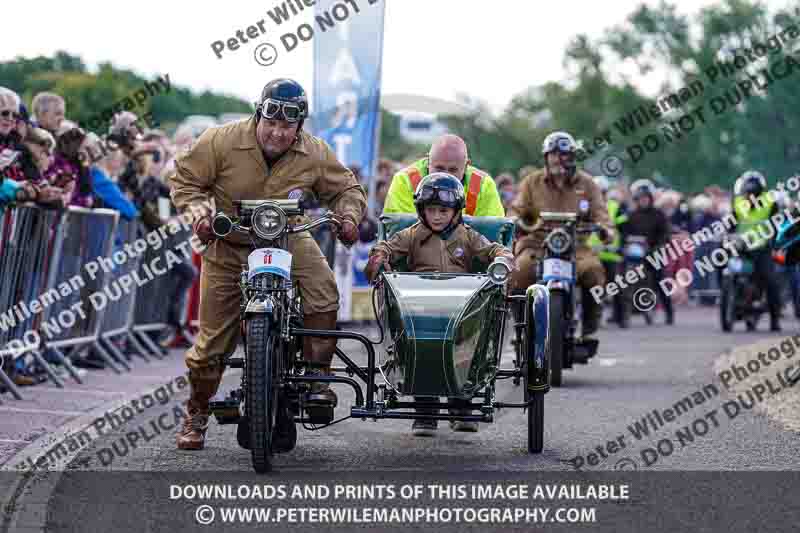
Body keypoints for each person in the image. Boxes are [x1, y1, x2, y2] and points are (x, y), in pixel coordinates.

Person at [168, 78, 367, 450]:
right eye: (270, 122)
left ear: (299, 126)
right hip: (229, 242)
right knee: (211, 343)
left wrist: (349, 216)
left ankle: (317, 379)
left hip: (288, 237)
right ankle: (196, 412)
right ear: (258, 114)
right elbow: (185, 178)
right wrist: (200, 214)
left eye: (287, 126)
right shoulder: (220, 140)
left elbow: (346, 189)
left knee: (323, 292)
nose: (277, 132)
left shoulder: (316, 152)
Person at [366, 173, 515, 436]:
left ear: (456, 211)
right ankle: (425, 412)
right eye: (431, 210)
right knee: (417, 350)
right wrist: (379, 256)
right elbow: (386, 247)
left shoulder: (468, 236)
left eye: (443, 210)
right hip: (419, 309)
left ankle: (462, 405)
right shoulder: (410, 235)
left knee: (465, 351)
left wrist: (503, 257)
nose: (437, 216)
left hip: (461, 310)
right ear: (421, 211)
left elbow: (493, 250)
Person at [509, 131, 613, 341]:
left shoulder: (587, 184)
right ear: (546, 157)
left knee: (593, 272)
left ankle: (590, 326)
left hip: (576, 246)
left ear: (572, 157)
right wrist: (513, 221)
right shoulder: (531, 182)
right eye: (553, 154)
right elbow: (516, 209)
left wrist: (605, 229)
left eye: (563, 154)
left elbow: (601, 213)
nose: (558, 158)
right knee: (519, 272)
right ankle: (521, 326)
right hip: (536, 244)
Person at [382, 134, 505, 216]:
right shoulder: (404, 180)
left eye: (453, 170)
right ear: (428, 160)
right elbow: (398, 230)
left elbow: (494, 231)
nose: (445, 176)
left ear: (466, 165)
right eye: (439, 168)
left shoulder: (484, 184)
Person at [730, 170, 782, 331]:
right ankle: (730, 300)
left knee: (770, 280)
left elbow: (777, 224)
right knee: (727, 267)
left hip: (762, 248)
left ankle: (775, 319)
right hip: (742, 247)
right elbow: (731, 222)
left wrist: (774, 241)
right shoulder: (738, 203)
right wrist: (726, 234)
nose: (749, 196)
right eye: (747, 192)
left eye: (753, 193)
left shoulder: (770, 203)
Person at [619, 179, 674, 324]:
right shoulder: (630, 215)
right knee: (623, 280)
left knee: (659, 281)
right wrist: (624, 243)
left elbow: (665, 233)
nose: (643, 200)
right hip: (634, 253)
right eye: (640, 198)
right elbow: (623, 232)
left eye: (646, 197)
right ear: (636, 199)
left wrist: (658, 246)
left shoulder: (659, 215)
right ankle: (621, 314)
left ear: (650, 198)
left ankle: (669, 313)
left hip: (653, 253)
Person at [587, 176, 628, 324]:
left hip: (611, 254)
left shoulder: (615, 207)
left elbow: (624, 229)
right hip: (592, 254)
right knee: (593, 287)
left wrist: (622, 246)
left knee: (615, 286)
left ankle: (621, 317)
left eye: (601, 191)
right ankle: (593, 318)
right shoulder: (586, 207)